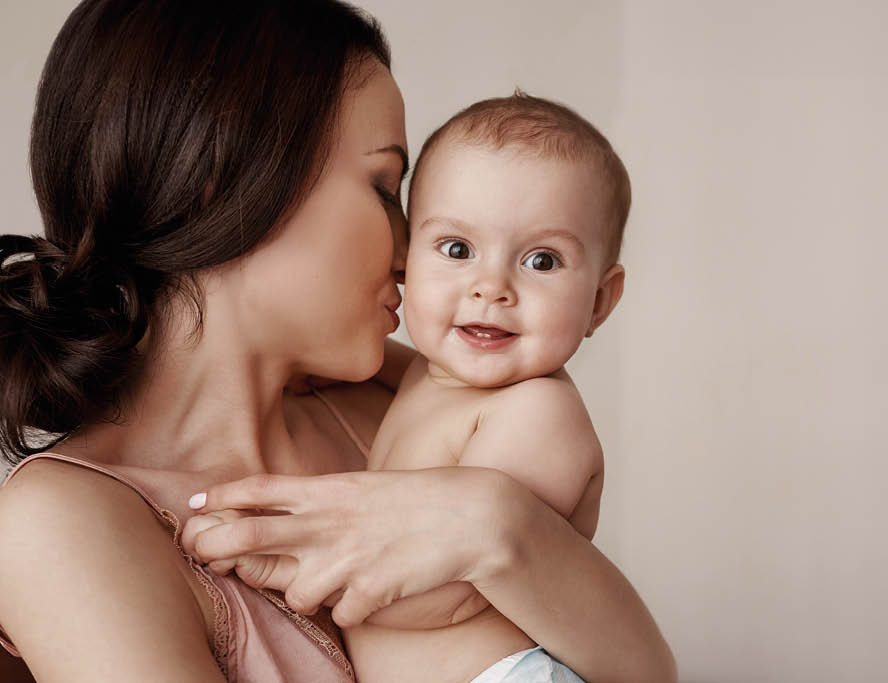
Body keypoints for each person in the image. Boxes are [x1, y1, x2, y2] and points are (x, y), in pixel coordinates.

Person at [0, 1, 675, 682]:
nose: (412, 252)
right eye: (385, 188)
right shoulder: (60, 523)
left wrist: (499, 527)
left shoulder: (402, 400)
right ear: (223, 183)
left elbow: (650, 673)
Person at [339, 93, 629, 683]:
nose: (491, 286)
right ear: (404, 260)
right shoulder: (433, 374)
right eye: (457, 249)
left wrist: (318, 572)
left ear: (599, 301)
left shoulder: (537, 415)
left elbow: (443, 592)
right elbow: (397, 370)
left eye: (542, 261)